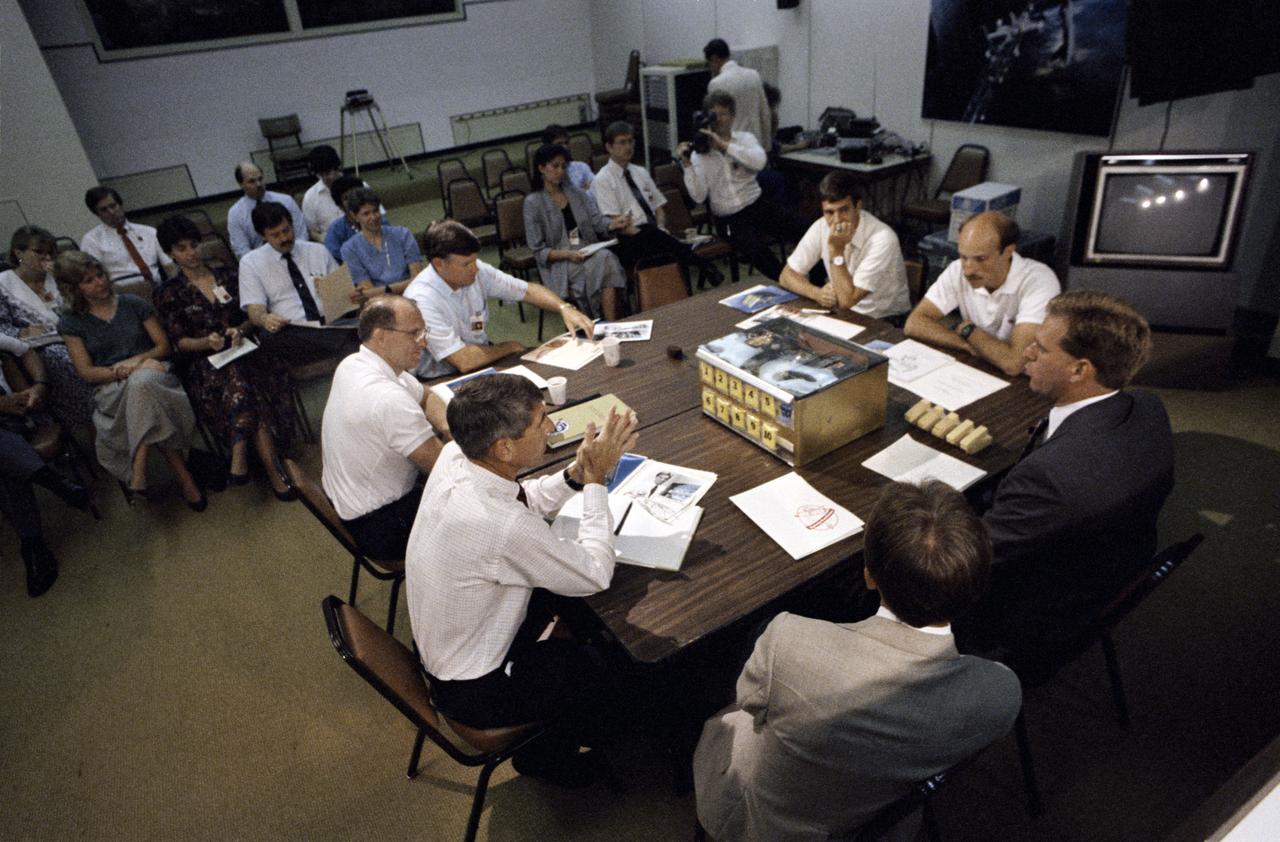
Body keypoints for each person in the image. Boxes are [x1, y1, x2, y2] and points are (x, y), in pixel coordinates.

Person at [693, 480, 1022, 841]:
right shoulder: (1000, 693)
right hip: (877, 822)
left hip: (770, 822)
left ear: (868, 574)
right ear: (975, 587)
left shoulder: (787, 642)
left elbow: (750, 703)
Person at [405, 373, 639, 785]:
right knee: (607, 672)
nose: (552, 428)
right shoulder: (501, 526)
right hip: (476, 687)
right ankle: (550, 757)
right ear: (504, 447)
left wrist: (576, 475)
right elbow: (595, 573)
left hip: (450, 645)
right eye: (540, 422)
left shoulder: (456, 457)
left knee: (573, 611)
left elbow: (522, 497)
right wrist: (598, 482)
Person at [958, 290, 1174, 672]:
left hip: (1027, 616)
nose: (1026, 353)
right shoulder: (1147, 407)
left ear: (1080, 370)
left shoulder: (1052, 478)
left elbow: (967, 559)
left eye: (1040, 349)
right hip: (1103, 569)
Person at [153, 215, 295, 499]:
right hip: (206, 364)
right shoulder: (168, 292)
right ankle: (273, 469)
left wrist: (238, 331)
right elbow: (179, 342)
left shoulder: (228, 275)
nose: (192, 253)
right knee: (241, 378)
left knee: (243, 372)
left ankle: (239, 453)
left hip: (244, 350)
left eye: (195, 245)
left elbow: (250, 316)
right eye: (182, 249)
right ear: (170, 253)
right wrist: (208, 341)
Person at [54, 251, 205, 510]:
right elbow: (86, 372)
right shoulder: (71, 322)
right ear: (74, 289)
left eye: (100, 275)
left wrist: (136, 363)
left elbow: (163, 347)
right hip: (112, 387)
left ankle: (139, 466)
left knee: (144, 383)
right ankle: (185, 477)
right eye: (88, 281)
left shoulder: (133, 303)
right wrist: (122, 371)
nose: (99, 282)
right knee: (144, 392)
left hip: (156, 373)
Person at [321, 297, 445, 561]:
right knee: (487, 511)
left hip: (354, 502)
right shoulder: (387, 399)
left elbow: (426, 395)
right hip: (381, 525)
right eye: (414, 333)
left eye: (423, 332)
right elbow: (445, 468)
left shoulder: (355, 363)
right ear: (380, 336)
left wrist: (449, 425)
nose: (423, 342)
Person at [404, 220, 596, 379]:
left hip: (483, 356)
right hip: (441, 377)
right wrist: (510, 346)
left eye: (474, 260)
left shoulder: (475, 270)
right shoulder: (422, 300)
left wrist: (564, 307)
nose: (475, 269)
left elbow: (527, 290)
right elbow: (463, 360)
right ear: (439, 263)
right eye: (466, 264)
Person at [903, 211, 1060, 376]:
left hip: (1025, 382)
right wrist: (967, 344)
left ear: (1008, 251)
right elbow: (914, 323)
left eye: (981, 259)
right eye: (963, 257)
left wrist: (969, 331)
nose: (968, 270)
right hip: (983, 367)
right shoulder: (958, 269)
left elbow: (1015, 363)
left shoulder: (1039, 281)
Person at [679, 91, 807, 281]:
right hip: (729, 217)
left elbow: (759, 162)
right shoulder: (700, 154)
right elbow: (698, 197)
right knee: (757, 251)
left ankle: (818, 279)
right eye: (713, 115)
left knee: (806, 229)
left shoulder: (745, 139)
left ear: (732, 117)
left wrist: (725, 146)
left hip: (756, 203)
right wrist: (687, 165)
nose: (719, 120)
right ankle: (789, 283)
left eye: (723, 114)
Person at [0, 333, 91, 597]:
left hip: (15, 421)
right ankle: (54, 483)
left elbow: (26, 351)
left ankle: (33, 547)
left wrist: (39, 385)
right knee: (6, 466)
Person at [592, 121, 723, 285]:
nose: (628, 146)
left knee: (665, 245)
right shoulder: (602, 179)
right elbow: (618, 223)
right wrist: (655, 233)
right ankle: (702, 263)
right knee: (657, 238)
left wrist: (661, 228)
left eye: (631, 141)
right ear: (609, 147)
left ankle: (688, 292)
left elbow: (659, 208)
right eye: (622, 142)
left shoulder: (640, 171)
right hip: (627, 239)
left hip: (654, 235)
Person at [237, 201, 357, 367]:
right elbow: (254, 310)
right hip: (293, 329)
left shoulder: (317, 251)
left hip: (330, 322)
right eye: (275, 235)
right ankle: (343, 352)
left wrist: (335, 291)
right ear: (262, 236)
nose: (284, 238)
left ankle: (337, 354)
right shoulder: (251, 263)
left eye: (286, 230)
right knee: (269, 338)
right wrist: (265, 319)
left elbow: (346, 295)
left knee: (357, 323)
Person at [779, 171, 911, 321]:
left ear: (858, 206)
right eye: (829, 212)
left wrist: (836, 251)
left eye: (844, 210)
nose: (837, 220)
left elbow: (847, 301)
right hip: (843, 313)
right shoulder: (821, 226)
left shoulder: (883, 238)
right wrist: (817, 294)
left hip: (884, 320)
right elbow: (786, 275)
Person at [0, 226, 95, 425]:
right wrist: (21, 332)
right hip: (37, 348)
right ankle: (90, 416)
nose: (46, 257)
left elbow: (85, 307)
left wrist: (66, 281)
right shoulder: (3, 283)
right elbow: (2, 327)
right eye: (39, 252)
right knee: (66, 359)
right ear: (18, 253)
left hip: (76, 333)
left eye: (50, 252)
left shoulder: (59, 277)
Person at [524, 143, 629, 320]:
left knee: (607, 258)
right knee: (598, 264)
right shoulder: (533, 203)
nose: (560, 171)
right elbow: (539, 250)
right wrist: (567, 255)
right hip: (559, 261)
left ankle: (608, 323)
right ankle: (594, 320)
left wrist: (613, 224)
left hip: (585, 249)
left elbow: (597, 221)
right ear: (541, 168)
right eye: (555, 166)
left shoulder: (576, 193)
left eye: (563, 166)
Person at [79, 187, 174, 287]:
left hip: (159, 290)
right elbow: (95, 279)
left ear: (120, 205)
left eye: (113, 206)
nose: (111, 212)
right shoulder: (91, 240)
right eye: (104, 210)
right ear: (97, 214)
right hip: (122, 295)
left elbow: (170, 266)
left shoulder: (149, 232)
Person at [339, 187, 423, 299]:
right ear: (355, 216)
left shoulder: (403, 234)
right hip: (379, 305)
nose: (373, 217)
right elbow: (367, 291)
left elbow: (417, 280)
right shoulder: (349, 249)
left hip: (413, 296)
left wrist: (385, 289)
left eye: (375, 211)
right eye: (366, 214)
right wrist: (400, 286)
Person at [226, 161, 309, 260]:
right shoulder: (235, 214)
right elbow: (242, 251)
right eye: (252, 181)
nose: (258, 184)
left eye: (260, 179)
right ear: (241, 184)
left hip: (294, 255)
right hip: (261, 264)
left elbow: (302, 235)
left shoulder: (286, 201)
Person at [704, 38, 772, 149]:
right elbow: (765, 114)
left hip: (732, 148)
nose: (711, 68)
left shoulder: (715, 83)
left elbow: (715, 121)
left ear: (714, 59)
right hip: (755, 146)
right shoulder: (754, 75)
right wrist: (767, 147)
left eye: (709, 64)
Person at [322, 175, 381, 262]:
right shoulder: (335, 230)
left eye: (355, 195)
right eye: (346, 198)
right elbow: (332, 260)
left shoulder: (378, 219)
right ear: (339, 205)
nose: (352, 200)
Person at [300, 145, 345, 241]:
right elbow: (311, 231)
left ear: (337, 167)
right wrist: (324, 240)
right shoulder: (310, 197)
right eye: (320, 174)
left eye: (328, 173)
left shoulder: (359, 186)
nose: (325, 178)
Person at [543, 124, 594, 193]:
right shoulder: (546, 174)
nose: (565, 147)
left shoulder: (581, 167)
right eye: (559, 144)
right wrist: (583, 189)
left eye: (566, 143)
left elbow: (596, 191)